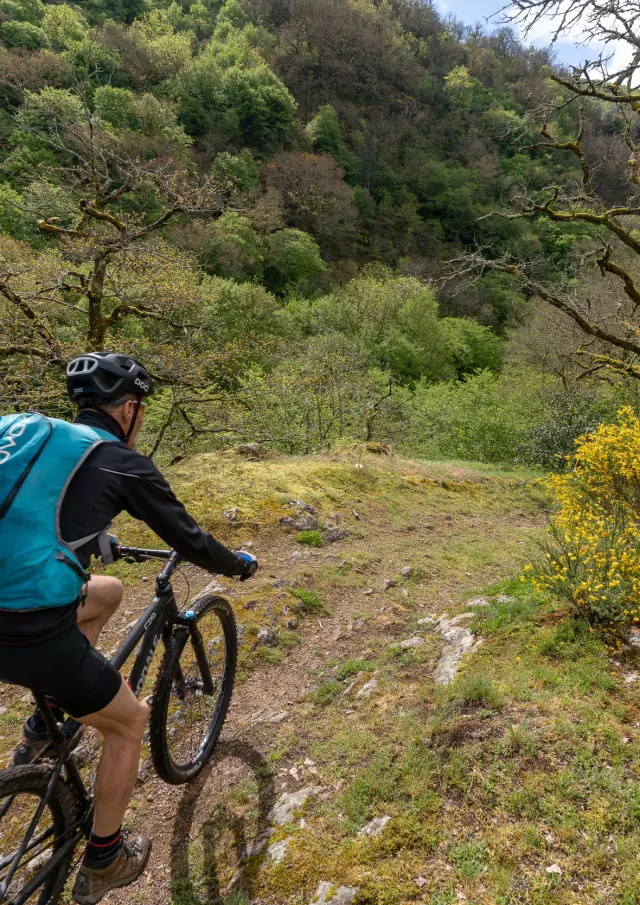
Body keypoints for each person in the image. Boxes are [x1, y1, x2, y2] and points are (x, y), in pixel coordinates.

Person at [0, 353, 258, 905]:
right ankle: (106, 859)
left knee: (108, 591)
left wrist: (88, 538)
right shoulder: (119, 461)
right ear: (130, 408)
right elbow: (189, 538)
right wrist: (236, 564)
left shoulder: (21, 433)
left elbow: (23, 514)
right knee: (128, 722)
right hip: (28, 632)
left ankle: (44, 730)